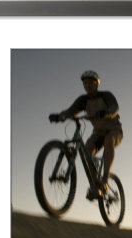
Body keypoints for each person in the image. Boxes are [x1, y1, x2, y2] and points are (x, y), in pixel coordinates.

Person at [49, 70, 123, 199]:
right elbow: (70, 111)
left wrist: (105, 113)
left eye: (90, 82)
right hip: (98, 133)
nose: (87, 85)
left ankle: (105, 178)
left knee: (108, 140)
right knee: (86, 152)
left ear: (97, 84)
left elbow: (114, 108)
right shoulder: (83, 100)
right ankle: (96, 185)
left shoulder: (106, 95)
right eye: (85, 83)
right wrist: (59, 116)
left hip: (114, 129)